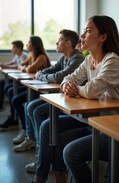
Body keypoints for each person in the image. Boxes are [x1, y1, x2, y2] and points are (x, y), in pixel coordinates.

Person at [32, 15, 119, 183]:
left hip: (116, 130)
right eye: (84, 31)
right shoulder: (89, 60)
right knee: (48, 127)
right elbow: (68, 79)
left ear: (103, 37)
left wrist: (76, 89)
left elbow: (91, 90)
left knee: (70, 152)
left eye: (88, 31)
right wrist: (67, 86)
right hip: (96, 122)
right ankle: (46, 178)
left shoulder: (113, 60)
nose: (82, 36)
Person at [13, 29, 85, 174]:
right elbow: (50, 71)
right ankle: (38, 146)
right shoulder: (64, 58)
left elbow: (59, 76)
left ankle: (42, 152)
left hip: (74, 105)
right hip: (65, 99)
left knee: (36, 109)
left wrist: (41, 76)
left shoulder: (78, 58)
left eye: (59, 40)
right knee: (31, 106)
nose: (56, 42)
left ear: (68, 43)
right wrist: (43, 75)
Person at [0, 36, 50, 134]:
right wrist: (25, 67)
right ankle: (14, 118)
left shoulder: (41, 57)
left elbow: (29, 69)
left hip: (40, 89)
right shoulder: (31, 55)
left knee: (15, 99)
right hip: (32, 84)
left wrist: (26, 67)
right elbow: (20, 66)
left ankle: (24, 129)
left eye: (29, 43)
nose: (26, 45)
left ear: (34, 45)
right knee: (9, 89)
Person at [0, 40, 28, 110]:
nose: (12, 49)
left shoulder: (24, 56)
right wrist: (3, 64)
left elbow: (18, 66)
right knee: (2, 83)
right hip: (17, 78)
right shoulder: (17, 55)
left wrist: (5, 66)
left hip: (21, 80)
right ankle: (1, 104)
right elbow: (12, 63)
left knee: (7, 87)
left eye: (13, 47)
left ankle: (9, 110)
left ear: (19, 48)